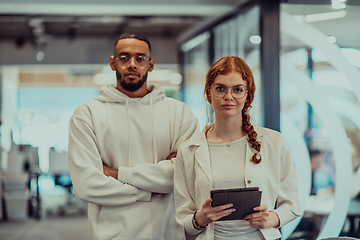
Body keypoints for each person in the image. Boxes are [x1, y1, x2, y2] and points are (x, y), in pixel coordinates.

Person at [68, 32, 199, 240]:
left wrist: (114, 173)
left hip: (166, 232)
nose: (132, 64)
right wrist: (150, 191)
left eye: (140, 58)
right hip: (110, 234)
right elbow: (86, 185)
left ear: (151, 64)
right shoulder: (87, 114)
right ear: (112, 63)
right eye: (124, 57)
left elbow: (182, 177)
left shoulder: (180, 114)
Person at [174, 56, 301, 240]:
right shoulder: (189, 149)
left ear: (248, 95)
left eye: (237, 90)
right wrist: (200, 218)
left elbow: (292, 205)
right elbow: (182, 218)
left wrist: (271, 219)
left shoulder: (274, 142)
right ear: (208, 93)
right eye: (220, 88)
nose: (228, 96)